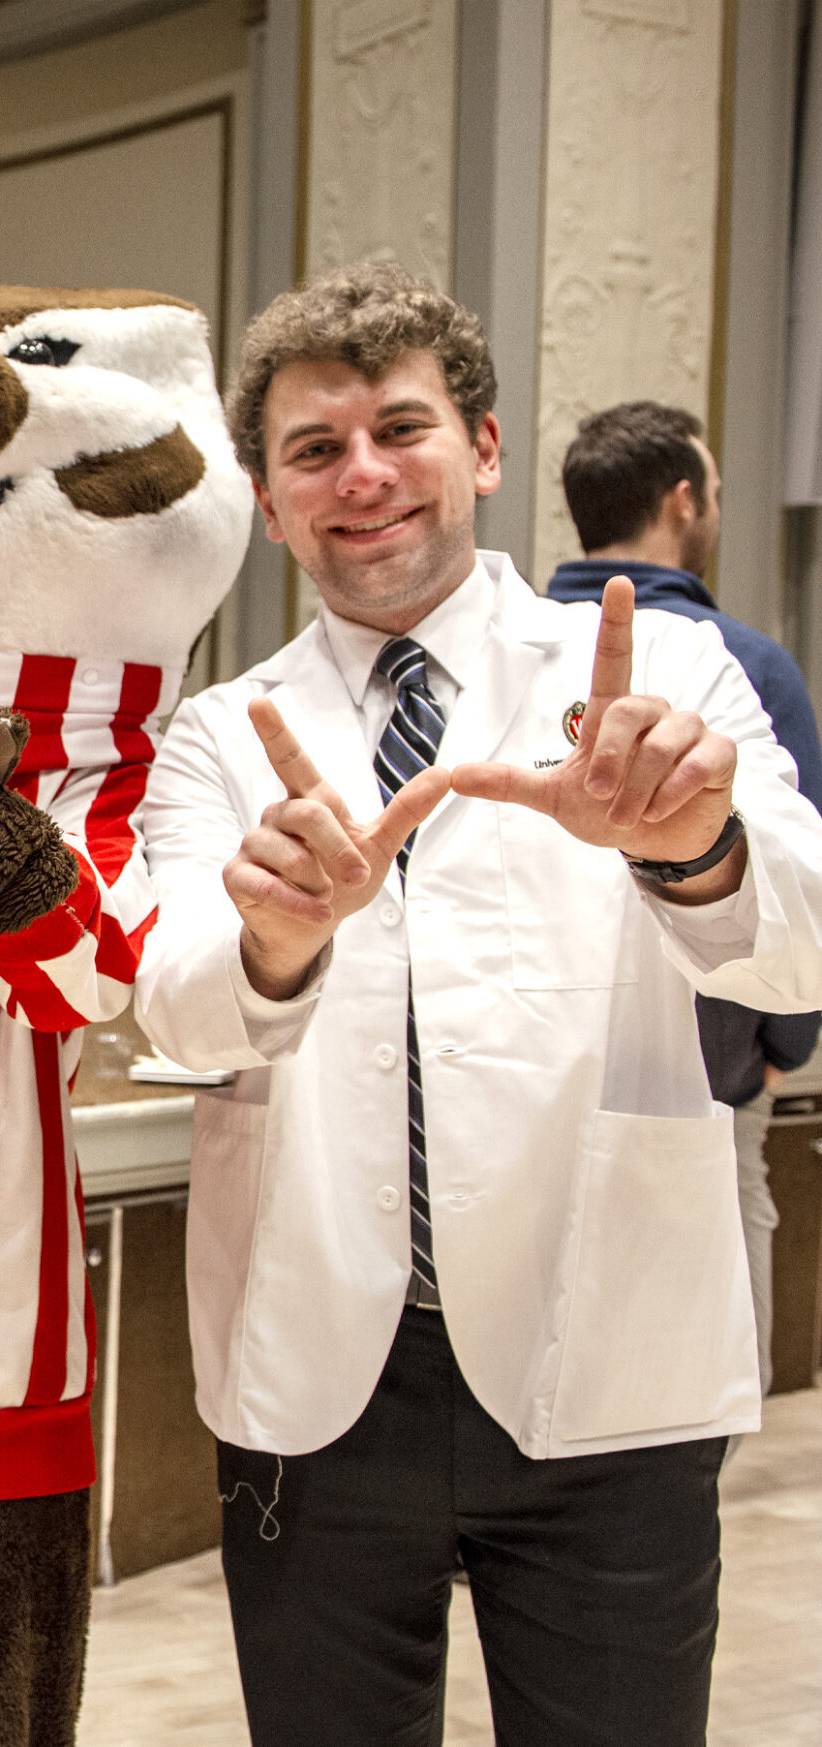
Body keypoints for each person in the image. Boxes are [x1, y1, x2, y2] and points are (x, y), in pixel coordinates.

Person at [133, 262, 822, 1746]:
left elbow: (806, 954)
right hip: (321, 1384)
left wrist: (687, 846)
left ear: (487, 449)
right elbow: (173, 1015)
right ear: (269, 501)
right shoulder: (217, 734)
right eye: (316, 449)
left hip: (607, 1358)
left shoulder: (663, 673)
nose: (364, 475)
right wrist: (269, 940)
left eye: (403, 428)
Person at [547, 400, 822, 1393]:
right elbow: (801, 868)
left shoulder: (516, 653)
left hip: (538, 1059)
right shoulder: (744, 661)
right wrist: (783, 1049)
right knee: (703, 1313)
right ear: (682, 500)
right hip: (713, 1061)